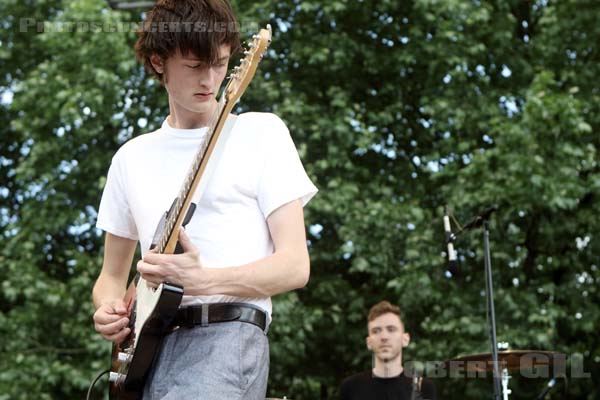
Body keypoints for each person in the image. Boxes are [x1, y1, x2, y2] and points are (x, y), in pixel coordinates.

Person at [91, 1, 317, 399]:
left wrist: (204, 281)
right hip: (146, 352)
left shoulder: (261, 133)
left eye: (221, 63)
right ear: (159, 61)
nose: (211, 79)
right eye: (196, 66)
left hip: (226, 337)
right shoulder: (131, 158)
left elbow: (295, 266)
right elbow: (112, 276)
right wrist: (109, 308)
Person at [340, 301, 436, 400]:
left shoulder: (423, 388)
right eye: (376, 331)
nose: (384, 337)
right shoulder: (351, 387)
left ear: (405, 339)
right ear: (369, 342)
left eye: (391, 329)